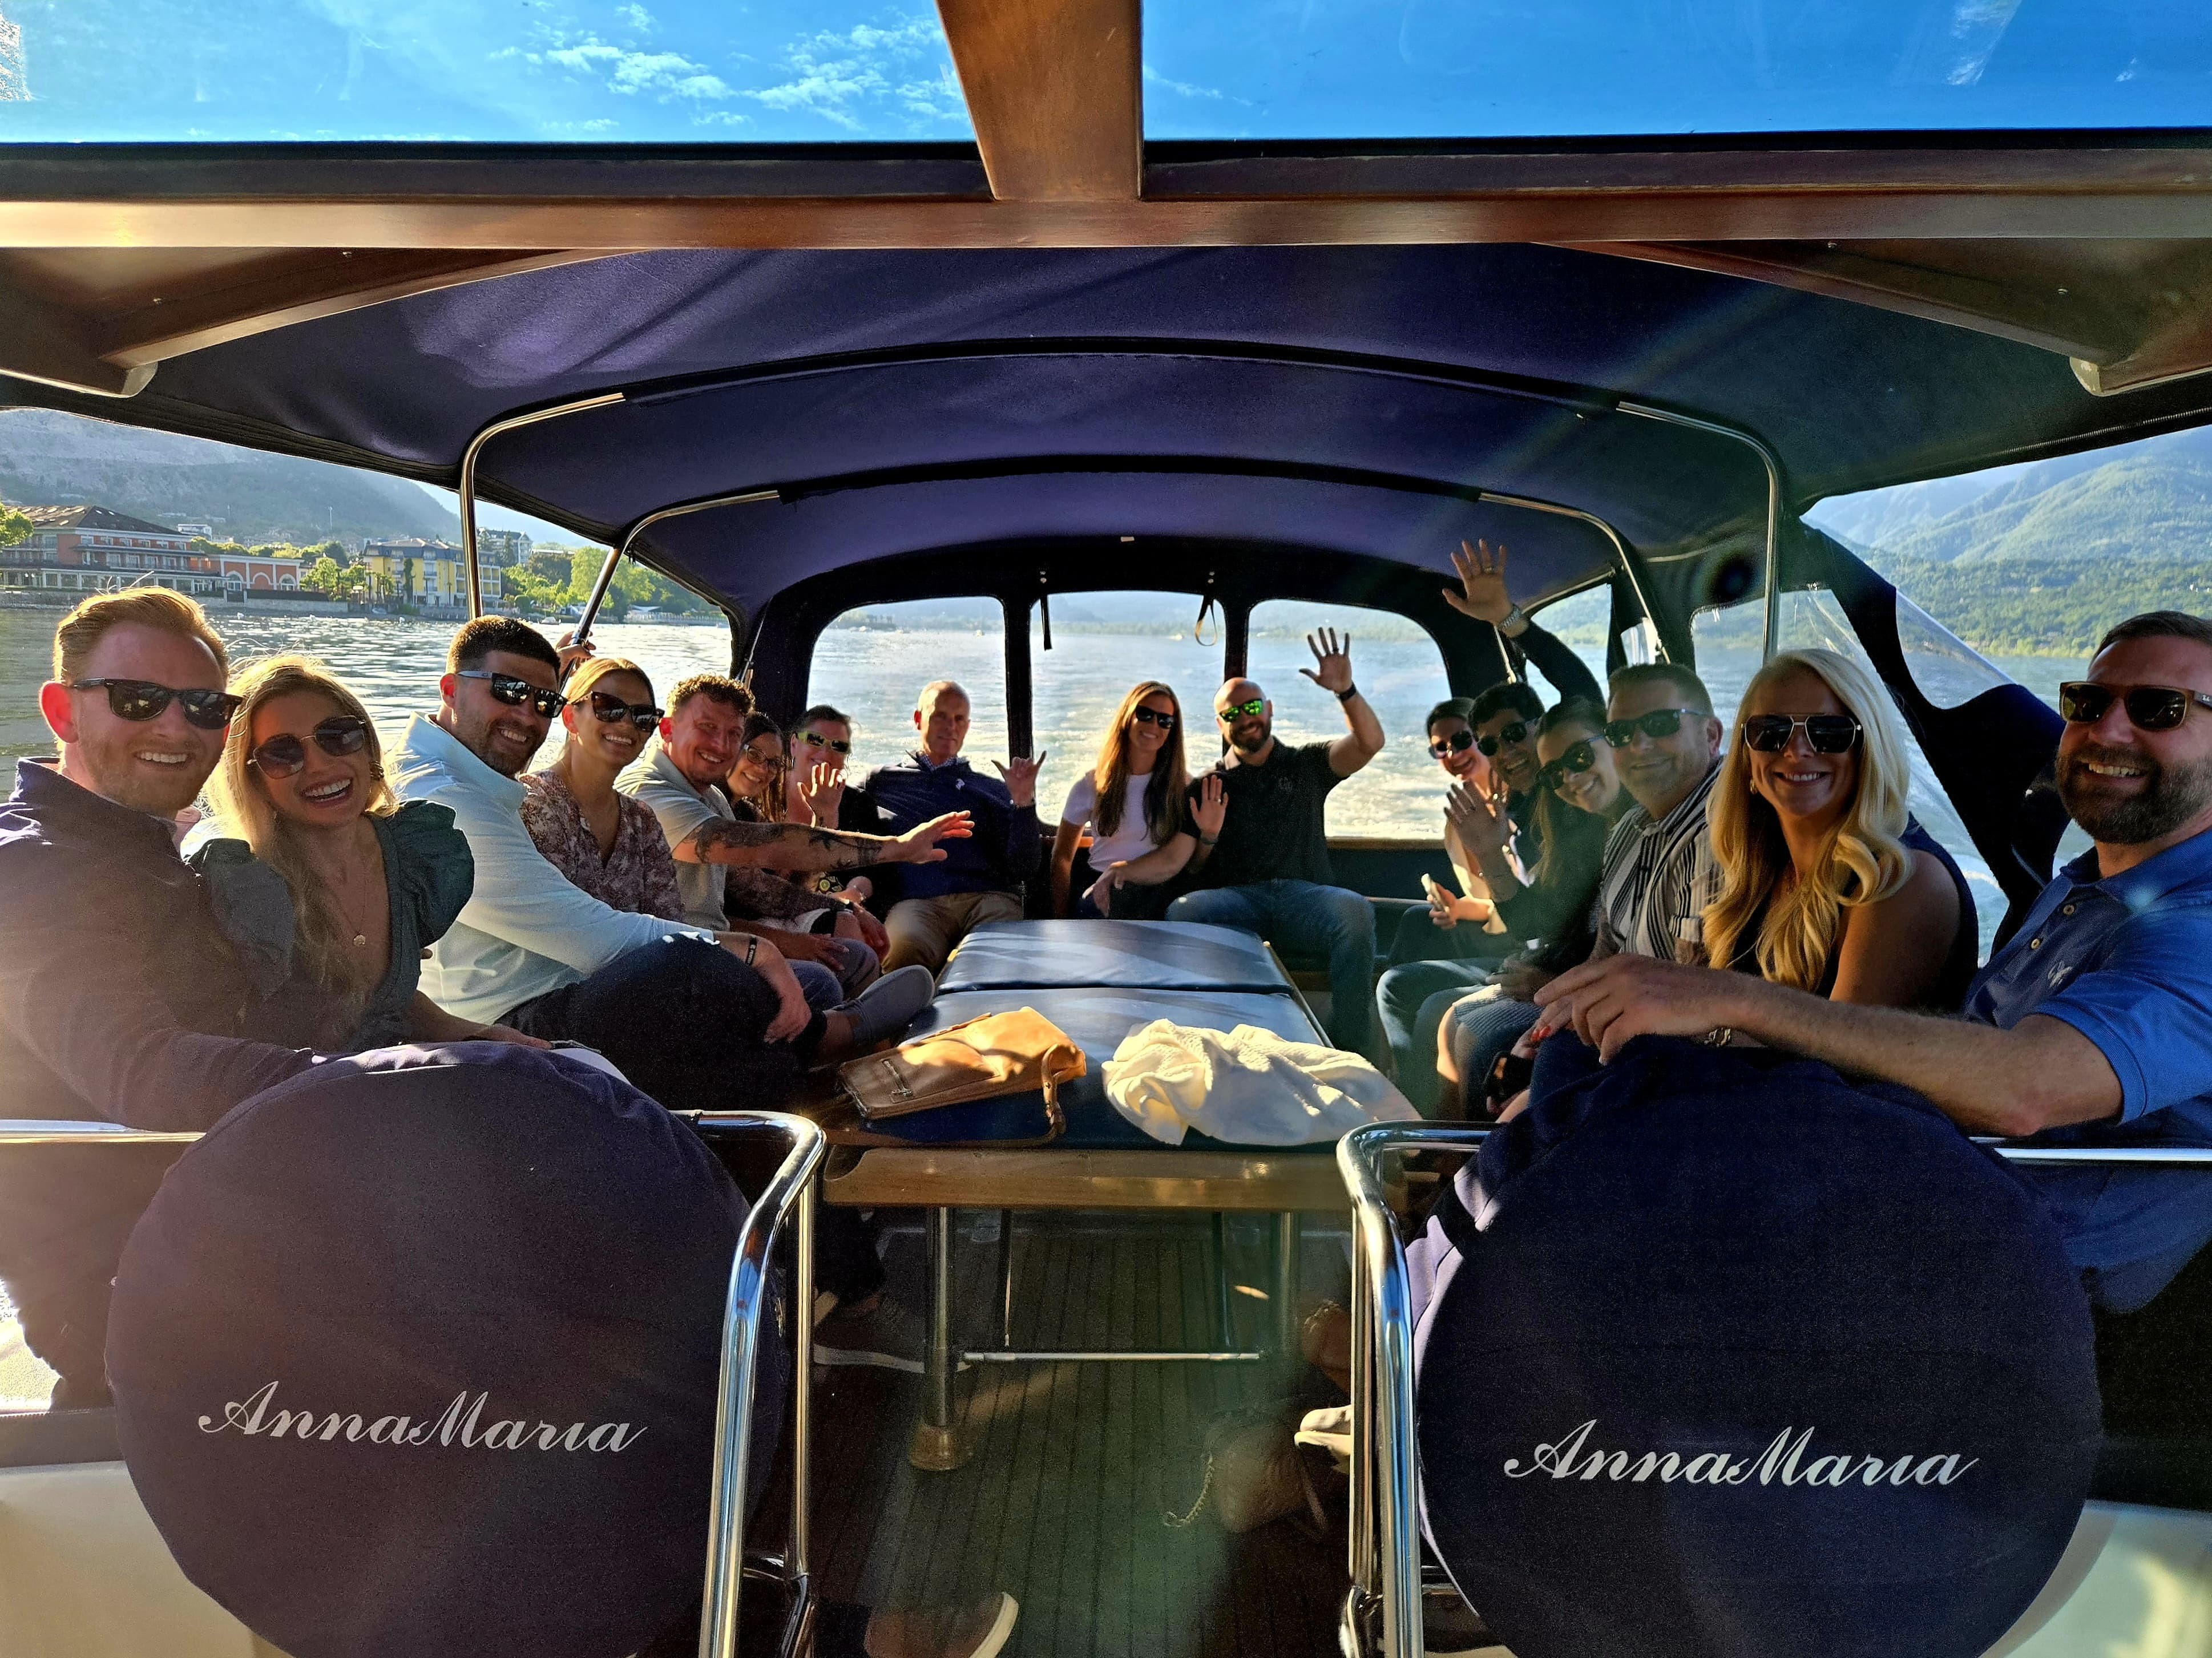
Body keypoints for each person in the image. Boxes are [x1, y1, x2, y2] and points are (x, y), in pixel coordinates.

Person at [1533, 612, 2212, 1313]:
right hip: (1921, 1192)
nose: (2107, 730)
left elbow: (2026, 1088)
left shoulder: (2198, 923)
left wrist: (1726, 998)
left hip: (2025, 1277)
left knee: (1584, 1211)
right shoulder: (2083, 887)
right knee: (1573, 1098)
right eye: (2089, 703)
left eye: (2160, 708)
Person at [389, 621, 931, 1101]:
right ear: (450, 690)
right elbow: (591, 936)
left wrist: (824, 908)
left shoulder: (609, 809)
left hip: (577, 983)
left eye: (542, 701)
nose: (527, 714)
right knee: (695, 971)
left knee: (736, 991)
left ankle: (809, 1071)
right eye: (509, 691)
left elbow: (701, 904)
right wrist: (750, 951)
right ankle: (824, 1045)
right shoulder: (462, 800)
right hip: (519, 1009)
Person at [0, 590, 316, 1402]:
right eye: (139, 699)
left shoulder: (131, 844)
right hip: (125, 1288)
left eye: (207, 706)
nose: (178, 729)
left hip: (216, 1217)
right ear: (63, 711)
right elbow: (143, 1068)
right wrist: (394, 1081)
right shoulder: (37, 870)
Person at [197, 654, 542, 1051]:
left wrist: (477, 1034)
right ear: (253, 779)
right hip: (294, 1095)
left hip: (394, 1078)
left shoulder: (413, 853)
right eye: (283, 754)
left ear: (367, 748)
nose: (321, 766)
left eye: (338, 737)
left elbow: (385, 1002)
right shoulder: (242, 889)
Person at [619, 676, 959, 994]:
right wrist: (897, 847)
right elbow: (768, 848)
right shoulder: (651, 792)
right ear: (667, 729)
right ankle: (855, 1036)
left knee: (851, 954)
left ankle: (868, 1039)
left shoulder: (712, 798)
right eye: (707, 729)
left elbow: (759, 888)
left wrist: (846, 907)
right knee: (821, 981)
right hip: (663, 961)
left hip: (712, 943)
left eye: (733, 734)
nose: (721, 745)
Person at [1380, 699, 1625, 1114]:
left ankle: (1439, 1142)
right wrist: (1489, 856)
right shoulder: (1544, 810)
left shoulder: (1598, 819)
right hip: (1547, 954)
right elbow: (1547, 921)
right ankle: (1422, 1127)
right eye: (1491, 744)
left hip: (1557, 964)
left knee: (1448, 1015)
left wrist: (1519, 629)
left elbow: (1556, 926)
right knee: (1412, 969)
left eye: (1513, 735)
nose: (1506, 752)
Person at [1703, 648, 1977, 1010]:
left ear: (1868, 749)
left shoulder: (1902, 879)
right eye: (1771, 732)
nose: (1796, 750)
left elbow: (1836, 1058)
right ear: (1746, 753)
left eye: (1829, 732)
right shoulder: (1763, 869)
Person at [1164, 629, 1386, 1056]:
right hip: (1239, 902)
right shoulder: (1208, 786)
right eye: (1233, 713)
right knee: (1183, 911)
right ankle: (1204, 1040)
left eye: (1252, 707)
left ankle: (1351, 1046)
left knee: (1355, 911)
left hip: (1306, 899)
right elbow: (1192, 869)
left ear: (1268, 709)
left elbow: (1370, 743)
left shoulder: (1308, 765)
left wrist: (1347, 692)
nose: (1246, 718)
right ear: (1221, 724)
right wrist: (1208, 833)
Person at [848, 679, 1046, 974]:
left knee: (995, 960)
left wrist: (1023, 803)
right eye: (940, 716)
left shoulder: (992, 789)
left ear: (967, 727)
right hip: (917, 902)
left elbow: (1024, 868)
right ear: (918, 720)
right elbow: (847, 834)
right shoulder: (880, 782)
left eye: (959, 719)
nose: (950, 726)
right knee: (901, 954)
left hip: (987, 900)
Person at [1051, 681, 1200, 919]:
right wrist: (1060, 919)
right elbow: (1062, 857)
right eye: (1145, 714)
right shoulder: (1090, 783)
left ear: (1172, 731)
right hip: (1102, 884)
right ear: (1127, 718)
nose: (1154, 724)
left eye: (1165, 720)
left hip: (1158, 889)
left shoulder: (1183, 786)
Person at [1380, 697, 1508, 968]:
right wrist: (1457, 908)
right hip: (1497, 926)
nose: (1453, 754)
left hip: (1521, 937)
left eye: (1462, 740)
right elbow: (1490, 902)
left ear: (1483, 738)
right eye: (1440, 748)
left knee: (1402, 975)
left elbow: (1524, 902)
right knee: (1418, 920)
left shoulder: (1518, 804)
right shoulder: (1457, 824)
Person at [782, 703, 875, 911]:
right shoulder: (765, 790)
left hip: (838, 910)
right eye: (815, 740)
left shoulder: (858, 804)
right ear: (794, 744)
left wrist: (852, 895)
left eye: (839, 746)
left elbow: (871, 871)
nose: (825, 753)